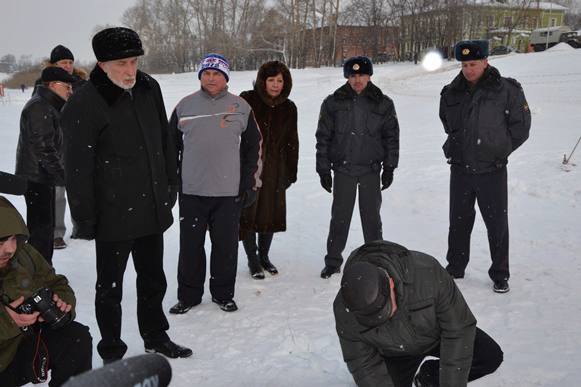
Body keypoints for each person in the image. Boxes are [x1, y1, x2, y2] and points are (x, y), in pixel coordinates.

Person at [60, 27, 191, 362]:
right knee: (110, 289)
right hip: (113, 214)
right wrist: (85, 218)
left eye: (134, 61)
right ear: (102, 65)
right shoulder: (84, 103)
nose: (130, 70)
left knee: (153, 280)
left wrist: (170, 186)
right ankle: (112, 350)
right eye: (122, 64)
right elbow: (77, 168)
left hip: (150, 207)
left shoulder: (149, 88)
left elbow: (164, 141)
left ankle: (155, 336)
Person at [334, 240, 504, 387]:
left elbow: (458, 330)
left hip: (438, 336)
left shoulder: (428, 273)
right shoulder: (345, 309)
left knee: (489, 356)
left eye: (385, 311)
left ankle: (430, 375)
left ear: (391, 283)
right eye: (372, 320)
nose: (383, 319)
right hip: (394, 352)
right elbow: (362, 362)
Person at [168, 53, 262, 314]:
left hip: (228, 193)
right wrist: (173, 181)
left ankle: (223, 294)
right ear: (200, 76)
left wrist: (250, 183)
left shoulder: (241, 106)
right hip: (192, 192)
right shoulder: (184, 106)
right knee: (190, 248)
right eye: (207, 73)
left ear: (226, 78)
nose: (211, 78)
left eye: (217, 74)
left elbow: (254, 147)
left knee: (225, 248)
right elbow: (169, 148)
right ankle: (189, 296)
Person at [439, 40, 531, 293]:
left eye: (474, 64)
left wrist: (498, 149)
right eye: (465, 64)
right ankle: (455, 267)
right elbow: (448, 123)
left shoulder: (506, 90)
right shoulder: (451, 91)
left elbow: (521, 126)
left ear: (486, 62)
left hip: (492, 169)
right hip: (460, 168)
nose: (469, 69)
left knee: (496, 224)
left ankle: (500, 274)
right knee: (458, 221)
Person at [315, 56, 400, 279]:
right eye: (352, 76)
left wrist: (389, 167)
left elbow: (392, 138)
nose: (357, 80)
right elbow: (323, 138)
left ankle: (377, 260)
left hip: (370, 170)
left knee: (372, 219)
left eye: (361, 75)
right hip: (344, 170)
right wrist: (323, 169)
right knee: (340, 218)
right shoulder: (333, 103)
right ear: (347, 77)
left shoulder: (383, 103)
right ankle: (333, 261)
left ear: (369, 75)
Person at [0, 196, 92, 387]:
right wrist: (5, 320)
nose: (9, 249)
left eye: (12, 238)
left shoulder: (22, 254)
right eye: (0, 243)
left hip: (18, 348)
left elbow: (55, 282)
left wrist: (62, 301)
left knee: (75, 339)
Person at [239, 61, 298, 279]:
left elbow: (293, 141)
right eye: (271, 80)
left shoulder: (289, 107)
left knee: (270, 212)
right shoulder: (247, 100)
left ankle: (264, 256)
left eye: (280, 80)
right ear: (263, 81)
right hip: (250, 167)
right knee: (249, 212)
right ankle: (253, 260)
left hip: (276, 168)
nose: (275, 85)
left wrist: (291, 170)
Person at [15, 67, 75, 265]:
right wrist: (62, 175)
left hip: (42, 178)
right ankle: (38, 276)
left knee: (45, 230)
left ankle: (43, 272)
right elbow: (44, 148)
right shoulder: (39, 107)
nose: (70, 91)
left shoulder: (48, 105)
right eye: (66, 86)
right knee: (40, 232)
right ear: (52, 85)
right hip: (36, 179)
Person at [41, 45, 87, 249]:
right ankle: (57, 232)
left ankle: (82, 226)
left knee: (81, 190)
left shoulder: (82, 84)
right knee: (58, 192)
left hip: (80, 143)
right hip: (57, 144)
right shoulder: (46, 85)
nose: (67, 66)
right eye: (63, 63)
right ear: (54, 64)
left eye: (70, 62)